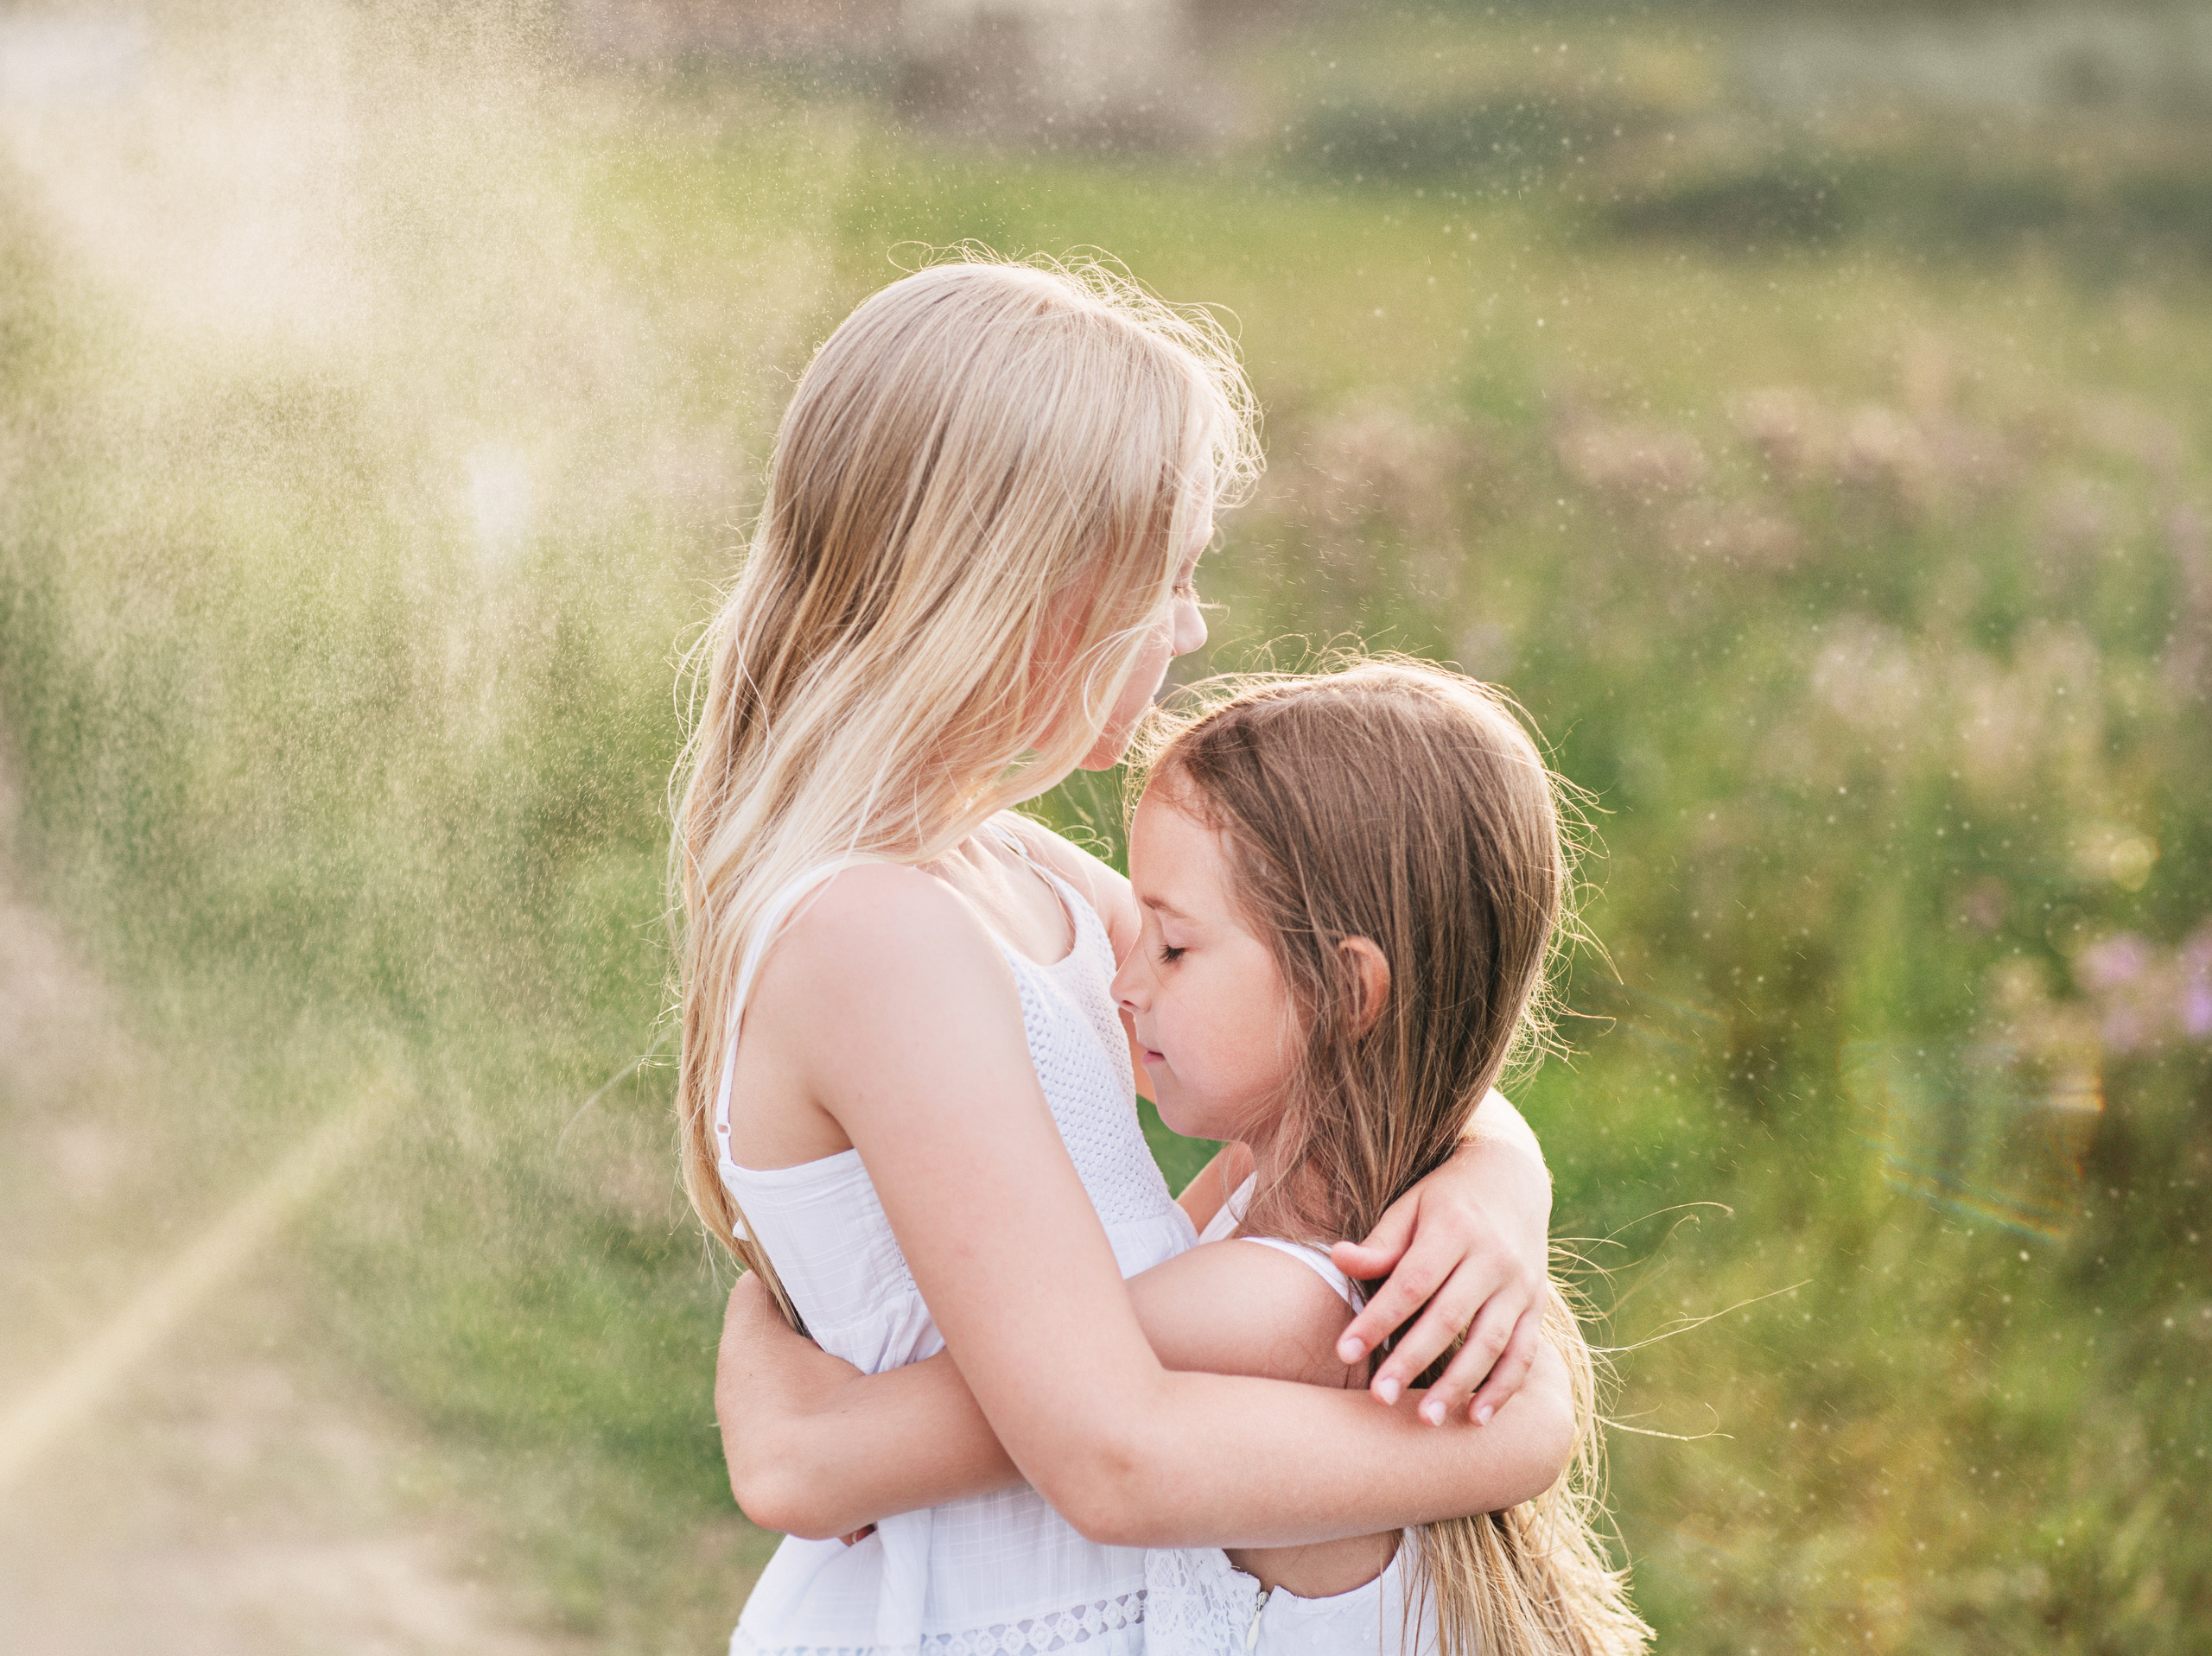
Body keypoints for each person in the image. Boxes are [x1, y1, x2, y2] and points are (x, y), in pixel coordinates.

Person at [675, 253, 1571, 1656]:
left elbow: (1346, 1027)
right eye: (1174, 574)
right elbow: (1109, 1454)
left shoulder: (1014, 872)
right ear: (1036, 593)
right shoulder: (877, 936)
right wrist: (1509, 1440)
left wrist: (1496, 1187)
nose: (1196, 624)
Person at [721, 663, 1651, 1655]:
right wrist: (1504, 1162)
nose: (1119, 983)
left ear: (1345, 991)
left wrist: (761, 1306)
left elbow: (811, 1464)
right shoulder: (1285, 1216)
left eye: (1170, 948)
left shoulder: (1277, 1306)